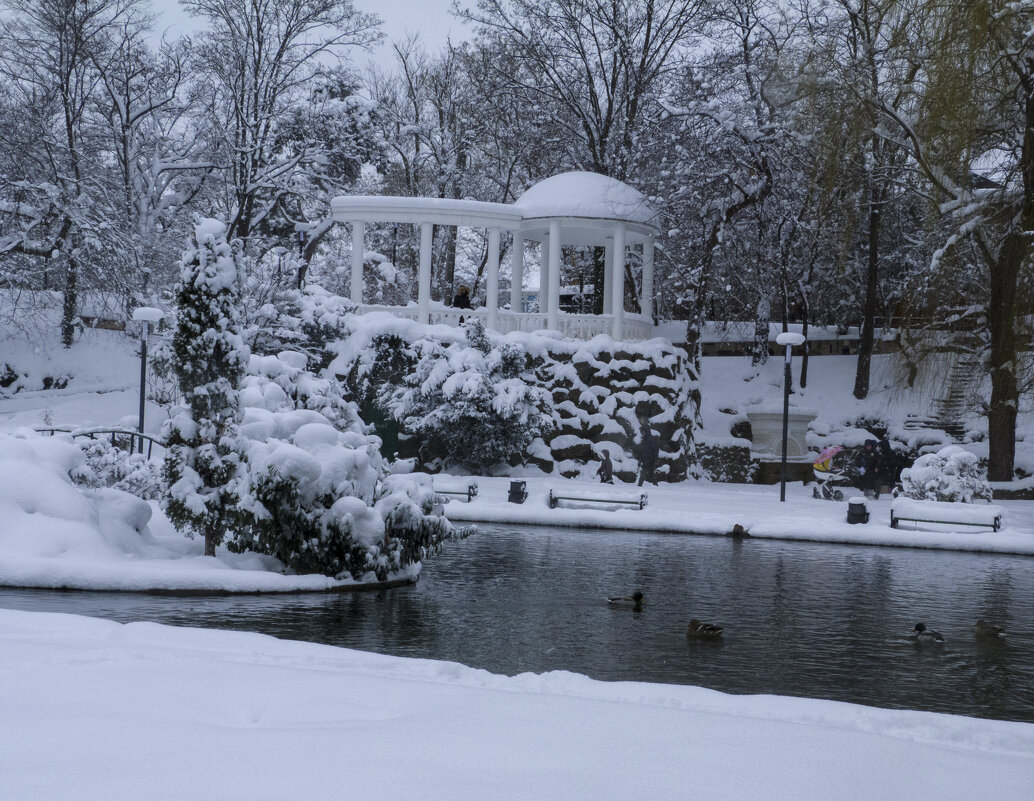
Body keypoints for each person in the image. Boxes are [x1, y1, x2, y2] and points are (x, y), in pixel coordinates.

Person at [637, 418, 659, 487]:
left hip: (651, 460)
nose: (642, 433)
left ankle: (640, 486)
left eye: (643, 431)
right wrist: (640, 460)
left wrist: (655, 461)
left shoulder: (651, 439)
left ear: (646, 431)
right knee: (647, 473)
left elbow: (656, 450)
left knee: (649, 474)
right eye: (641, 431)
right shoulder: (644, 439)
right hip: (645, 460)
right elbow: (643, 452)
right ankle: (640, 485)